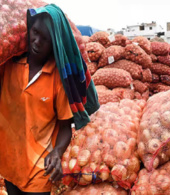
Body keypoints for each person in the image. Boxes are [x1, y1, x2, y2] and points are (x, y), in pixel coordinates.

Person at [0, 4, 99, 195]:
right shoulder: (9, 65)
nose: (37, 41)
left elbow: (64, 128)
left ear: (55, 44)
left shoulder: (57, 79)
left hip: (39, 170)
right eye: (35, 32)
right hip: (9, 163)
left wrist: (57, 152)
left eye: (45, 39)